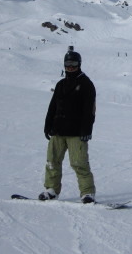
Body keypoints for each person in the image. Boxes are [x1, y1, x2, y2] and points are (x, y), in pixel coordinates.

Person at [40, 50, 97, 203]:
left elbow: (90, 110)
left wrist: (87, 130)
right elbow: (52, 107)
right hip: (58, 131)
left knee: (79, 163)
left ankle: (87, 192)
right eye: (67, 64)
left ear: (79, 64)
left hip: (77, 132)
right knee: (52, 161)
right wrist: (47, 126)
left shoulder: (86, 84)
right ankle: (51, 190)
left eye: (73, 63)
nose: (70, 67)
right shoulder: (61, 84)